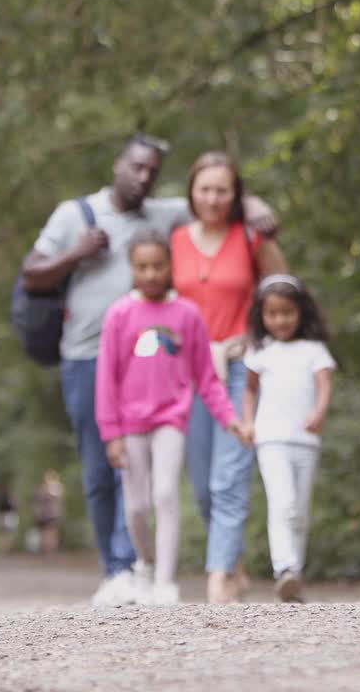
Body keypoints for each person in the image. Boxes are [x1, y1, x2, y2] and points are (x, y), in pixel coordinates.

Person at [21, 133, 278, 606]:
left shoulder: (163, 216)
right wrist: (77, 253)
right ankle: (117, 569)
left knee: (152, 481)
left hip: (159, 363)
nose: (143, 178)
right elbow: (32, 272)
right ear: (118, 164)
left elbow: (217, 203)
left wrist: (255, 201)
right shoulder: (75, 214)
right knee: (102, 468)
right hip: (87, 355)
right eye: (136, 168)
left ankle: (145, 571)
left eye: (153, 172)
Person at [96, 230, 241, 605]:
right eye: (142, 266)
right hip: (130, 423)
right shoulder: (120, 314)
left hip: (171, 419)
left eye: (158, 265)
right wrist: (110, 433)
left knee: (165, 495)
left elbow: (206, 377)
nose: (150, 274)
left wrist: (228, 417)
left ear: (170, 266)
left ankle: (164, 580)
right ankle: (144, 563)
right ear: (131, 269)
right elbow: (107, 377)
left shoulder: (187, 314)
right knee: (136, 504)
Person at [171, 151, 288, 604]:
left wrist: (265, 341)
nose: (213, 198)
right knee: (202, 482)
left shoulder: (252, 238)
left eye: (223, 190)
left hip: (242, 366)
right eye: (205, 189)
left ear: (236, 194)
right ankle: (232, 559)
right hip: (190, 369)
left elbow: (284, 291)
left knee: (230, 475)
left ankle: (218, 578)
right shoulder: (176, 239)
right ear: (192, 193)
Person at [237, 274, 336, 603]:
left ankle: (295, 573)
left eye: (287, 313)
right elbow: (249, 390)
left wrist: (319, 413)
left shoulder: (313, 349)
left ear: (301, 313)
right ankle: (285, 568)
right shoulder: (261, 351)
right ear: (262, 316)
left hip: (305, 440)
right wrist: (248, 423)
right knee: (283, 503)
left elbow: (324, 385)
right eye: (273, 314)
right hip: (271, 438)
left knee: (300, 510)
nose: (280, 320)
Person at [32, 469, 65, 556]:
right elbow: (37, 502)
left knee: (51, 532)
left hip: (52, 514)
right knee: (46, 532)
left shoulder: (55, 488)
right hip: (46, 514)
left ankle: (51, 550)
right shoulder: (44, 488)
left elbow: (59, 500)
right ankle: (47, 550)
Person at [0, 480, 19, 552]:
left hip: (3, 515)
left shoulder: (0, 495)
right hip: (9, 515)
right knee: (9, 533)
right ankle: (7, 548)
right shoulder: (11, 495)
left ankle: (5, 548)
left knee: (3, 533)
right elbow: (15, 506)